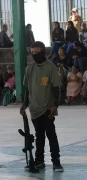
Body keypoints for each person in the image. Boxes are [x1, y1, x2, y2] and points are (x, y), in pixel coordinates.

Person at [20, 41, 64, 172]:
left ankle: (56, 161)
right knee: (39, 136)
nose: (34, 55)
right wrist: (24, 105)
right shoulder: (29, 69)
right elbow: (27, 89)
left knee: (51, 134)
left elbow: (57, 89)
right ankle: (39, 161)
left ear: (43, 52)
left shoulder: (51, 67)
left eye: (36, 52)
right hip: (34, 108)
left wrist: (55, 105)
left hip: (47, 108)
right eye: (32, 52)